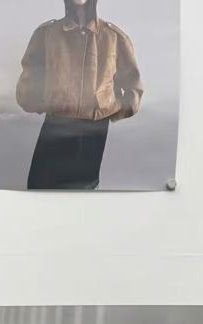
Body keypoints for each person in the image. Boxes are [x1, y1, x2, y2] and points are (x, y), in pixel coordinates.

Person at [16, 0, 143, 190]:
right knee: (40, 189)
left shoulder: (114, 37)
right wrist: (50, 101)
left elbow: (133, 88)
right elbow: (28, 84)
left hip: (93, 133)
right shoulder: (46, 34)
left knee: (82, 194)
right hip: (55, 126)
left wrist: (106, 107)